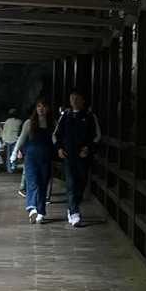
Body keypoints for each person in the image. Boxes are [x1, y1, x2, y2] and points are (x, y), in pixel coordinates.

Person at [54, 90, 101, 227]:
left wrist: (88, 148)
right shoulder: (65, 116)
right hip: (68, 156)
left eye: (77, 98)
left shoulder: (90, 116)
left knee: (81, 183)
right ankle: (75, 213)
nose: (74, 101)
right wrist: (59, 148)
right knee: (71, 183)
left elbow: (97, 135)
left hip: (83, 156)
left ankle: (72, 208)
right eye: (72, 98)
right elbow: (56, 134)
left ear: (82, 100)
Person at [15, 97, 55, 224]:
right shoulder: (29, 123)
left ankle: (41, 211)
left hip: (46, 157)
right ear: (36, 108)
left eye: (44, 106)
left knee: (43, 184)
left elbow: (55, 139)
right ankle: (32, 208)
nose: (41, 109)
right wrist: (15, 152)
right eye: (38, 106)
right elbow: (22, 138)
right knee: (32, 182)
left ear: (48, 108)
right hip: (31, 157)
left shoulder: (52, 123)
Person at [0, 108, 23, 172]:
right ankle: (13, 166)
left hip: (7, 139)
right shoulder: (19, 121)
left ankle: (9, 168)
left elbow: (4, 131)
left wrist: (3, 140)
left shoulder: (7, 121)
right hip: (15, 139)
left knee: (8, 154)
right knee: (14, 153)